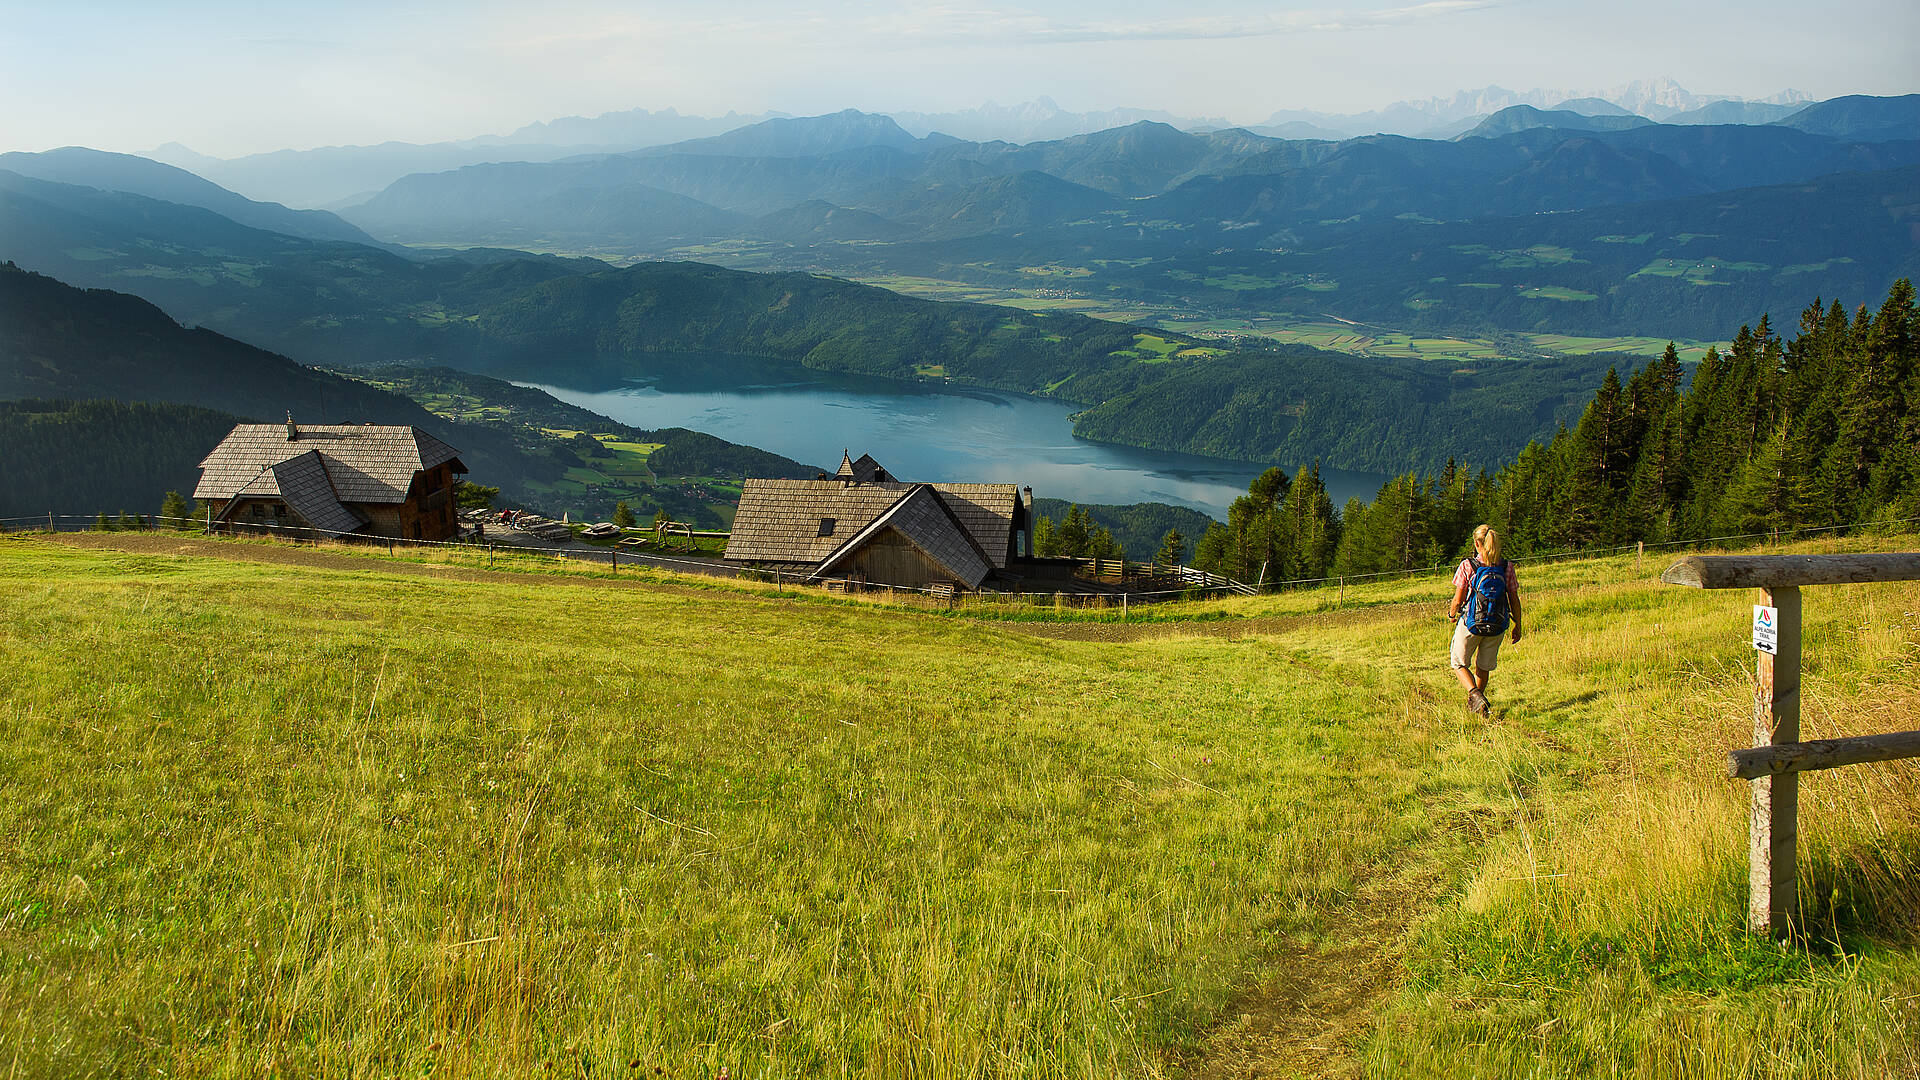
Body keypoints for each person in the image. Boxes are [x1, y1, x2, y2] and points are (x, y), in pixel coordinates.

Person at [1447, 524, 1521, 716]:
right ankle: (1480, 708)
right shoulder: (1506, 567)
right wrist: (1518, 625)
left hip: (1472, 623)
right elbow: (1514, 599)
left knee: (1458, 662)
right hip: (1497, 624)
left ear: (1477, 543)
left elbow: (1458, 599)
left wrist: (1452, 614)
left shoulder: (1468, 565)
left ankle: (1475, 695)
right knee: (1483, 666)